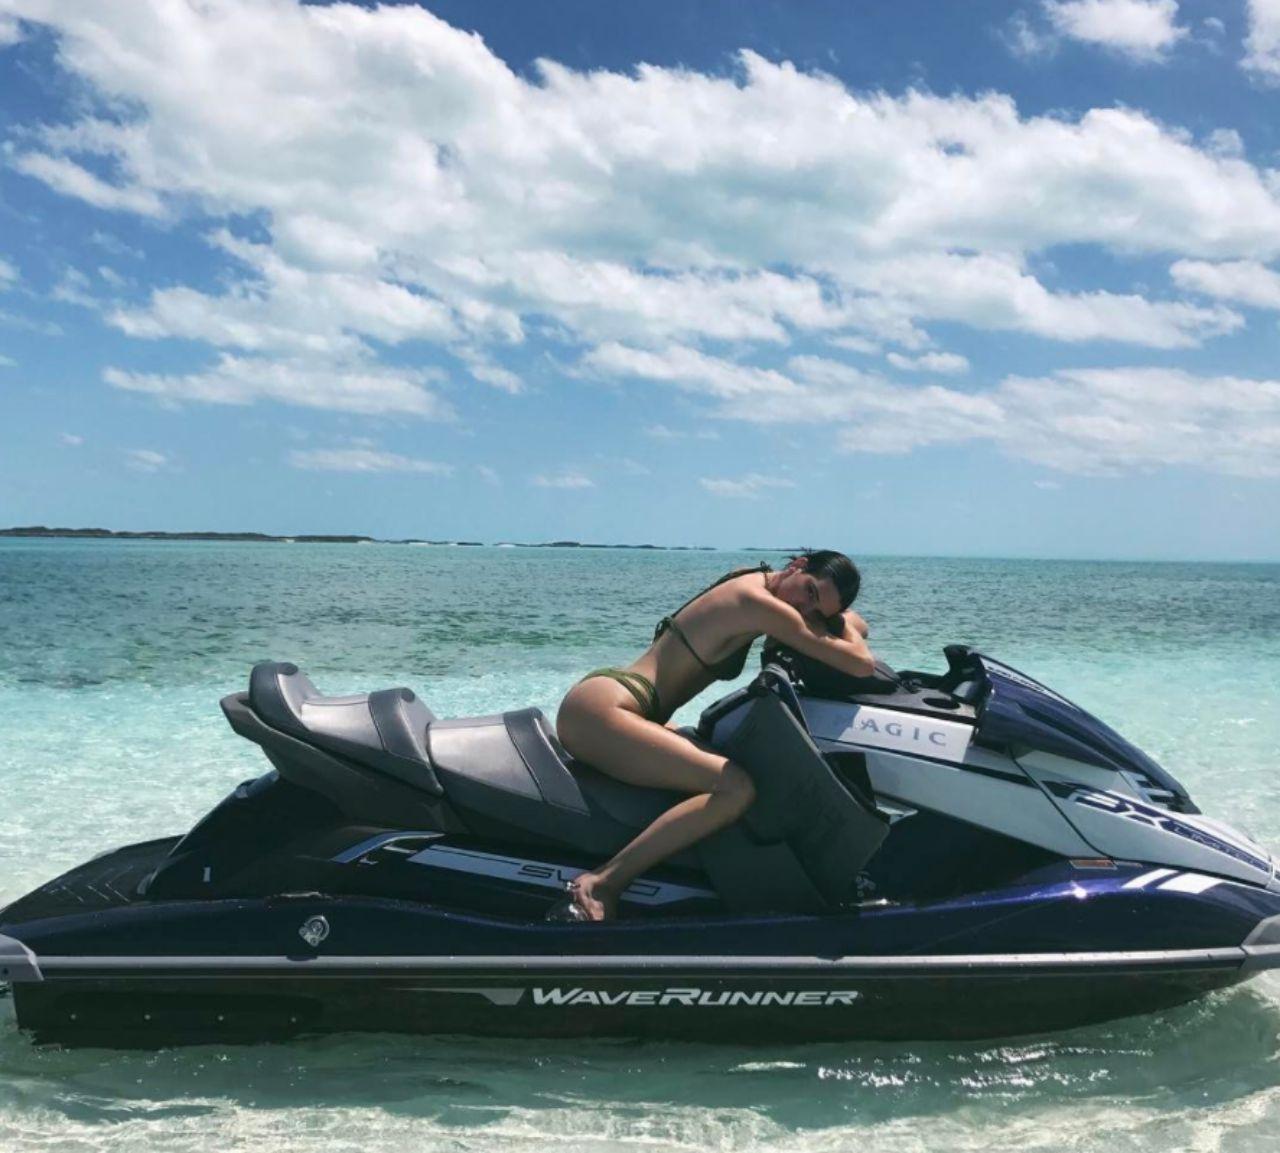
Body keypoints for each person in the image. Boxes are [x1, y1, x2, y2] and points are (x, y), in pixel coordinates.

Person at [550, 549, 874, 922]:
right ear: (798, 565)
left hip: (624, 701)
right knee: (736, 788)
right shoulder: (761, 604)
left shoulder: (753, 577)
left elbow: (850, 627)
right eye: (810, 592)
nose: (805, 608)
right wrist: (837, 623)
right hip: (604, 711)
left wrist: (829, 617)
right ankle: (604, 882)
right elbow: (861, 663)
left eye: (817, 609)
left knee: (717, 750)